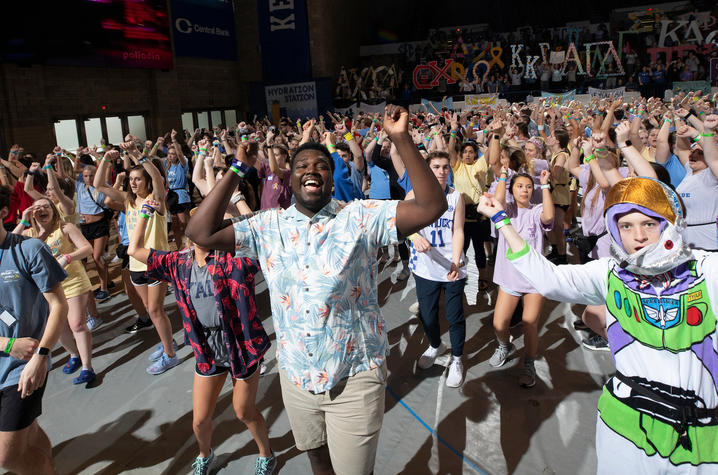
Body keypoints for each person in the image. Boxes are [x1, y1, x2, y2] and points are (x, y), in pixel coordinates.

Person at [186, 104, 447, 475]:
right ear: (289, 179)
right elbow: (200, 234)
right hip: (297, 375)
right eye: (303, 166)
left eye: (321, 166)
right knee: (317, 458)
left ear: (332, 175)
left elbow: (430, 206)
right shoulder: (267, 225)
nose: (312, 170)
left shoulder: (358, 217)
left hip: (354, 375)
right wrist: (236, 169)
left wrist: (401, 139)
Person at [477, 176, 718, 473]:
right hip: (626, 428)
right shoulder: (609, 273)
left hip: (700, 437)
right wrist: (501, 219)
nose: (638, 235)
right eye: (626, 226)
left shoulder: (706, 270)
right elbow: (550, 278)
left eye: (649, 224)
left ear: (668, 224)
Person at [128, 203, 275, 475]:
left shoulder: (238, 259)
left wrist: (233, 212)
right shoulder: (178, 263)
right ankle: (205, 454)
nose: (205, 230)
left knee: (243, 412)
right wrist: (145, 214)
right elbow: (134, 250)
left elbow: (263, 235)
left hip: (241, 346)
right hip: (207, 350)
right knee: (199, 420)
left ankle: (267, 453)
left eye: (213, 226)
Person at [0, 185, 68, 474]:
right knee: (28, 434)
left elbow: (59, 306)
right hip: (7, 352)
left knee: (5, 457)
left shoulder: (29, 249)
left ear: (3, 212)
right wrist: (5, 344)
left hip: (24, 366)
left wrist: (41, 355)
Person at [94, 146, 177, 375]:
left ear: (147, 181)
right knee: (151, 311)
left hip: (155, 262)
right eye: (131, 179)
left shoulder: (155, 199)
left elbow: (159, 179)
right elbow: (99, 185)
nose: (133, 183)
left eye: (138, 179)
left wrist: (140, 156)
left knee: (156, 309)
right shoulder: (128, 202)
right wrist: (104, 159)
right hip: (136, 264)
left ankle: (170, 354)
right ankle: (167, 341)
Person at [14, 198, 96, 385]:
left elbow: (87, 248)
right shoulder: (29, 234)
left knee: (76, 324)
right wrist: (24, 220)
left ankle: (87, 367)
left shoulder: (65, 227)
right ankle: (74, 354)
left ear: (53, 210)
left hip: (73, 281)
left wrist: (68, 257)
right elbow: (10, 243)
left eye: (46, 206)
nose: (42, 209)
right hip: (47, 288)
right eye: (37, 208)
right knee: (58, 328)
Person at [487, 168, 553, 388]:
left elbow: (550, 217)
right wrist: (504, 177)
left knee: (530, 322)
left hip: (534, 279)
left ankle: (529, 362)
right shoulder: (506, 212)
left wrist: (544, 185)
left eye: (528, 186)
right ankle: (505, 345)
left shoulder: (537, 211)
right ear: (511, 190)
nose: (524, 190)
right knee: (499, 323)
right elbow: (496, 201)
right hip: (510, 277)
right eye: (519, 186)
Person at [407, 151, 467, 388]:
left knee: (454, 316)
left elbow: (459, 230)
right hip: (425, 268)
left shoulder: (455, 197)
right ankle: (435, 345)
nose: (442, 172)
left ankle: (458, 359)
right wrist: (413, 237)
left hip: (451, 266)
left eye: (445, 167)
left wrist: (455, 260)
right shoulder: (414, 195)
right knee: (428, 314)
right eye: (436, 167)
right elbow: (402, 224)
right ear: (427, 169)